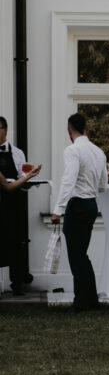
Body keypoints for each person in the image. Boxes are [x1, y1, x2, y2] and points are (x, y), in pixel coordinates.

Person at [50, 113, 108, 312]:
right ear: (86, 129)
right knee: (82, 254)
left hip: (77, 206)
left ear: (69, 130)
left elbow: (69, 180)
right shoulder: (99, 152)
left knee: (76, 256)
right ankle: (91, 299)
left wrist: (58, 210)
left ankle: (80, 302)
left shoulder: (72, 150)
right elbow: (103, 185)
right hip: (91, 205)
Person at [0, 116, 38, 295]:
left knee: (16, 240)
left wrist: (28, 180)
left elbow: (22, 177)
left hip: (13, 202)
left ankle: (17, 283)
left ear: (5, 130)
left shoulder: (17, 153)